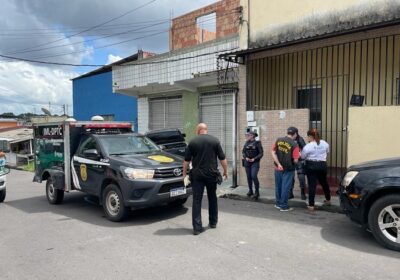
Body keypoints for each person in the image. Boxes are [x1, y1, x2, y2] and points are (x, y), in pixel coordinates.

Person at [182, 123, 228, 235]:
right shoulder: (215, 141)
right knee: (212, 198)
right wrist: (225, 171)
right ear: (206, 130)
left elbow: (186, 161)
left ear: (198, 130)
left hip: (197, 175)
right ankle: (213, 222)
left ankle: (197, 228)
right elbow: (222, 158)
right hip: (212, 174)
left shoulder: (192, 142)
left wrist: (184, 174)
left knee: (197, 200)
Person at [301, 129, 331, 211]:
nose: (308, 139)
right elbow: (327, 152)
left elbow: (303, 157)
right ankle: (328, 200)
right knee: (324, 183)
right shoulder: (325, 143)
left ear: (311, 137)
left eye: (308, 137)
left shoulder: (308, 146)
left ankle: (311, 205)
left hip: (311, 165)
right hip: (322, 165)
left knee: (312, 185)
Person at [271, 128, 300, 212]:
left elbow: (273, 152)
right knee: (285, 187)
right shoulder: (294, 145)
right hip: (288, 169)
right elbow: (295, 160)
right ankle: (283, 206)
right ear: (295, 134)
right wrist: (299, 155)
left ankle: (278, 203)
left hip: (278, 167)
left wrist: (279, 164)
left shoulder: (278, 140)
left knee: (278, 186)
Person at [242, 131, 263, 200]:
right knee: (249, 177)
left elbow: (261, 153)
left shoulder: (258, 143)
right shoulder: (246, 143)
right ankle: (250, 191)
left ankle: (257, 192)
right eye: (246, 135)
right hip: (247, 162)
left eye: (248, 135)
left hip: (255, 162)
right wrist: (246, 158)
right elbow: (243, 152)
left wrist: (254, 159)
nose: (247, 136)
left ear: (253, 136)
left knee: (253, 176)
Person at [287, 127, 307, 200]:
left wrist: (301, 156)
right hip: (290, 160)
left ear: (296, 133)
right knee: (291, 177)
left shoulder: (300, 139)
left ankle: (302, 193)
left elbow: (305, 149)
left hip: (299, 160)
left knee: (301, 177)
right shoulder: (288, 139)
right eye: (290, 133)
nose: (291, 135)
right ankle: (290, 193)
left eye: (292, 133)